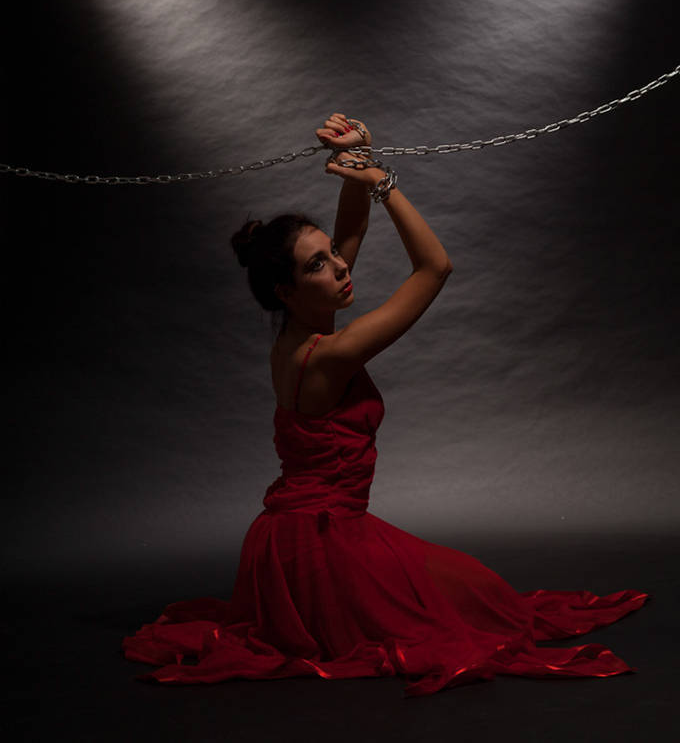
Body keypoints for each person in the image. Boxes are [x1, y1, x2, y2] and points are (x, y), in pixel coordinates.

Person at [122, 111, 649, 698]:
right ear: (286, 291)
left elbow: (350, 233)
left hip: (286, 540)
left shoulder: (298, 331)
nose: (340, 267)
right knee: (480, 607)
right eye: (318, 264)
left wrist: (355, 159)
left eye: (331, 253)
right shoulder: (332, 354)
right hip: (321, 548)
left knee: (478, 591)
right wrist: (380, 181)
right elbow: (436, 267)